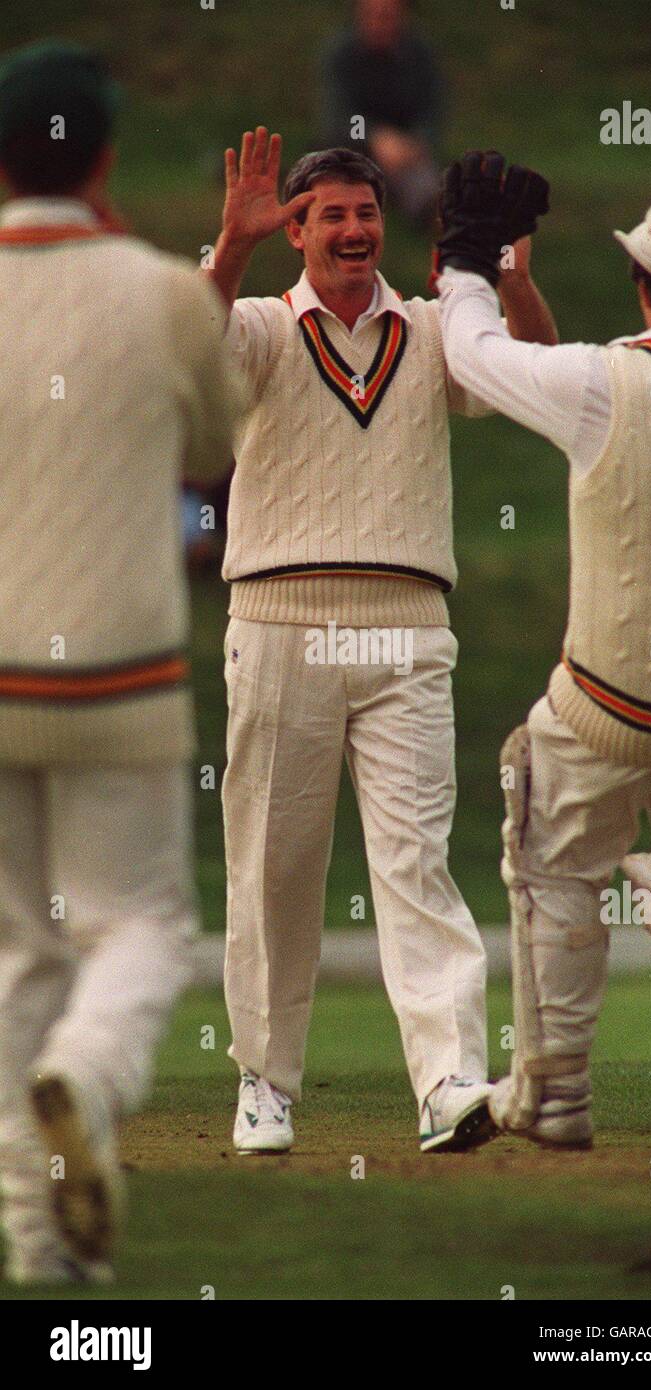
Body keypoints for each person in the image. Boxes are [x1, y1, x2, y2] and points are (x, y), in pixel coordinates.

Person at [207, 130, 557, 1156]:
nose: (354, 229)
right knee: (276, 862)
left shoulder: (435, 326)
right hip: (277, 622)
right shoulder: (264, 327)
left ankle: (448, 1078)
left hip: (406, 627)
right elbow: (187, 350)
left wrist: (503, 280)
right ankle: (265, 1084)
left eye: (366, 212)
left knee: (415, 861)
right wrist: (227, 247)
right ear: (298, 232)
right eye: (331, 215)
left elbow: (525, 371)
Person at [0, 41, 234, 1284]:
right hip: (122, 679)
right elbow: (208, 457)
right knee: (140, 925)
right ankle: (85, 1084)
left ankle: (43, 1254)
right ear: (102, 158)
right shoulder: (161, 291)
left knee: (19, 957)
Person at [437, 152, 651, 1148]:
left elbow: (469, 355)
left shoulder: (602, 381)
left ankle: (554, 1097)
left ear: (642, 281)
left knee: (554, 861)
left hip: (605, 703)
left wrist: (470, 259)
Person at [320, 0, 445, 227]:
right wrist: (375, 137)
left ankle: (434, 212)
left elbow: (432, 108)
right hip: (356, 146)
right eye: (373, 14)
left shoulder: (419, 54)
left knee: (421, 181)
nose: (380, 23)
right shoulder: (342, 55)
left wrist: (416, 141)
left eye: (387, 15)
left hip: (408, 150)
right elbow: (340, 113)